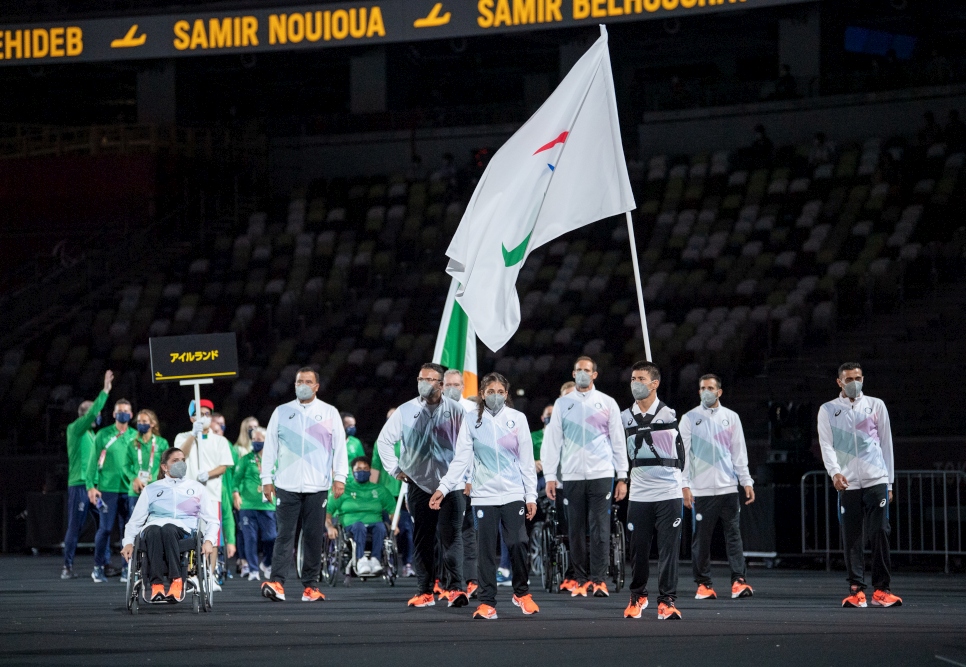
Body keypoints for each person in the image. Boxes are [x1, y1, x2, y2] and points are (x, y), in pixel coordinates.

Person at [432, 372, 540, 620]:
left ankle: (521, 593)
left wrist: (530, 495)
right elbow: (461, 459)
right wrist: (444, 487)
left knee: (518, 542)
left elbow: (526, 461)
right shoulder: (471, 420)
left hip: (514, 492)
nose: (495, 396)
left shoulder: (517, 419)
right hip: (484, 496)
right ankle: (488, 603)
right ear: (482, 394)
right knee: (486, 551)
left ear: (506, 394)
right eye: (490, 392)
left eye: (500, 392)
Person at [375, 362, 465, 608]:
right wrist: (394, 469)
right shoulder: (405, 411)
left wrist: (466, 478)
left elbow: (469, 447)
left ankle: (456, 588)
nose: (423, 382)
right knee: (423, 539)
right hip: (418, 485)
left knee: (451, 538)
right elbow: (383, 442)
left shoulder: (457, 411)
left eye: (430, 379)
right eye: (420, 378)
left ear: (441, 384)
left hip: (451, 485)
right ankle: (425, 591)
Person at [542, 356, 628, 598]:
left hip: (601, 473)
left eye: (586, 370)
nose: (582, 373)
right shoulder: (562, 404)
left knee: (600, 528)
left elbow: (618, 441)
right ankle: (580, 580)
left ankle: (599, 580)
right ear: (573, 373)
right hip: (571, 475)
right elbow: (552, 441)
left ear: (594, 375)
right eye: (578, 370)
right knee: (576, 530)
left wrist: (622, 475)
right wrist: (550, 475)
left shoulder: (607, 403)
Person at [260, 367, 347, 603]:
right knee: (284, 536)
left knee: (312, 537)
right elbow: (270, 448)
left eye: (308, 381)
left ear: (317, 386)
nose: (303, 385)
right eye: (299, 381)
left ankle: (310, 587)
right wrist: (266, 480)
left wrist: (340, 477)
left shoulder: (329, 412)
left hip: (317, 486)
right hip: (286, 485)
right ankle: (277, 582)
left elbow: (340, 447)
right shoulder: (282, 411)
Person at [818, 362, 901, 608]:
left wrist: (889, 482)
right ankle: (856, 591)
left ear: (863, 378)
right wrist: (834, 473)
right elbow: (826, 445)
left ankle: (882, 590)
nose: (854, 382)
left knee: (879, 533)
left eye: (857, 377)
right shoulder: (828, 409)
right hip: (848, 484)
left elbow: (887, 444)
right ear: (839, 382)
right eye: (848, 378)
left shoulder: (876, 405)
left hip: (876, 480)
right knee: (852, 537)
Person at [679, 374, 755, 601]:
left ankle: (738, 581)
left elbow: (739, 453)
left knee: (733, 536)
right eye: (702, 388)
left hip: (728, 488)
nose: (706, 391)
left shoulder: (731, 417)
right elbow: (681, 456)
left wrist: (746, 481)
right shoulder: (689, 418)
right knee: (701, 539)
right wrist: (684, 486)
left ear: (719, 392)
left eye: (710, 388)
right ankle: (703, 584)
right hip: (701, 491)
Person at [620, 361, 686, 620]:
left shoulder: (670, 414)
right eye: (633, 378)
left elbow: (682, 453)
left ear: (654, 383)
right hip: (640, 493)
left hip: (669, 491)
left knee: (669, 549)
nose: (635, 383)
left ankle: (667, 600)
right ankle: (638, 595)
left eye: (641, 378)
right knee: (638, 549)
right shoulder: (624, 417)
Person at [121, 448, 219, 603]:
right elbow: (135, 521)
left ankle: (176, 581)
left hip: (184, 530)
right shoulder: (151, 489)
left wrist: (209, 540)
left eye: (182, 460)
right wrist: (127, 543)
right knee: (153, 530)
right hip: (154, 530)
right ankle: (157, 586)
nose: (180, 464)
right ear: (164, 467)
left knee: (168, 529)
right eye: (175, 461)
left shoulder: (197, 489)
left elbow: (213, 520)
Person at [174, 399, 235, 582]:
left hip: (211, 494)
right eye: (200, 414)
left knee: (212, 537)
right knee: (189, 534)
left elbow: (224, 466)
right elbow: (179, 456)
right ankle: (191, 574)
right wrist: (193, 435)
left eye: (208, 414)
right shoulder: (182, 437)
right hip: (187, 495)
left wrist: (208, 474)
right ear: (192, 417)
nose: (205, 417)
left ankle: (209, 574)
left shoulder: (220, 440)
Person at [62, 370, 112, 580]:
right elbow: (92, 414)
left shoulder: (92, 435)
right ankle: (67, 566)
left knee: (105, 522)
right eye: (95, 412)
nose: (99, 415)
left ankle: (104, 563)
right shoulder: (75, 429)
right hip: (80, 486)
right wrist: (105, 391)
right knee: (75, 525)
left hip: (94, 487)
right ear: (85, 414)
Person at [86, 397, 135, 583]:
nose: (122, 413)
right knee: (105, 529)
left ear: (131, 415)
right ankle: (98, 567)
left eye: (126, 411)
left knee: (128, 531)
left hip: (129, 490)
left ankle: (127, 568)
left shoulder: (135, 436)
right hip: (107, 489)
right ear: (114, 414)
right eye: (119, 410)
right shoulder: (103, 435)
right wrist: (91, 486)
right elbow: (92, 463)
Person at [442, 368, 480, 596]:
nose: (452, 389)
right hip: (438, 482)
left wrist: (472, 478)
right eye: (448, 385)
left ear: (463, 388)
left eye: (457, 385)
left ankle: (472, 579)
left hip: (465, 482)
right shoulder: (431, 409)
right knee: (444, 533)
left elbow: (479, 448)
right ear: (441, 386)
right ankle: (448, 581)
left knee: (467, 531)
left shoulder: (473, 411)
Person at [326, 456, 397, 575]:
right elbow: (328, 511)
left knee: (380, 526)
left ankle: (375, 560)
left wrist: (395, 524)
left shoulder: (379, 489)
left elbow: (393, 509)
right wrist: (329, 527)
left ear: (370, 471)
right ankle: (360, 560)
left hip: (375, 524)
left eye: (365, 468)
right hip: (351, 526)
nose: (362, 471)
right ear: (352, 471)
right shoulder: (343, 489)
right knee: (359, 526)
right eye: (358, 469)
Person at [370, 407, 416, 578]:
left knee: (407, 529)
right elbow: (375, 470)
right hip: (386, 494)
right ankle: (384, 561)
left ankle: (408, 563)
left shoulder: (411, 439)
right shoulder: (380, 442)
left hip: (405, 492)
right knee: (388, 529)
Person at [233, 426, 276, 581]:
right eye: (254, 439)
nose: (256, 442)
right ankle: (253, 570)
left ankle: (266, 563)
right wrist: (236, 494)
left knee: (271, 538)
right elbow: (236, 479)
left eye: (260, 439)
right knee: (249, 538)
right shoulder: (246, 459)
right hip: (248, 505)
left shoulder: (274, 459)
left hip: (268, 505)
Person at [126, 409, 170, 502]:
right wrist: (134, 479)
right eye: (138, 421)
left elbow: (168, 465)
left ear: (152, 423)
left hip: (156, 489)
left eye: (144, 421)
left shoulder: (162, 443)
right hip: (136, 490)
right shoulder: (132, 444)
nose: (141, 424)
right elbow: (125, 466)